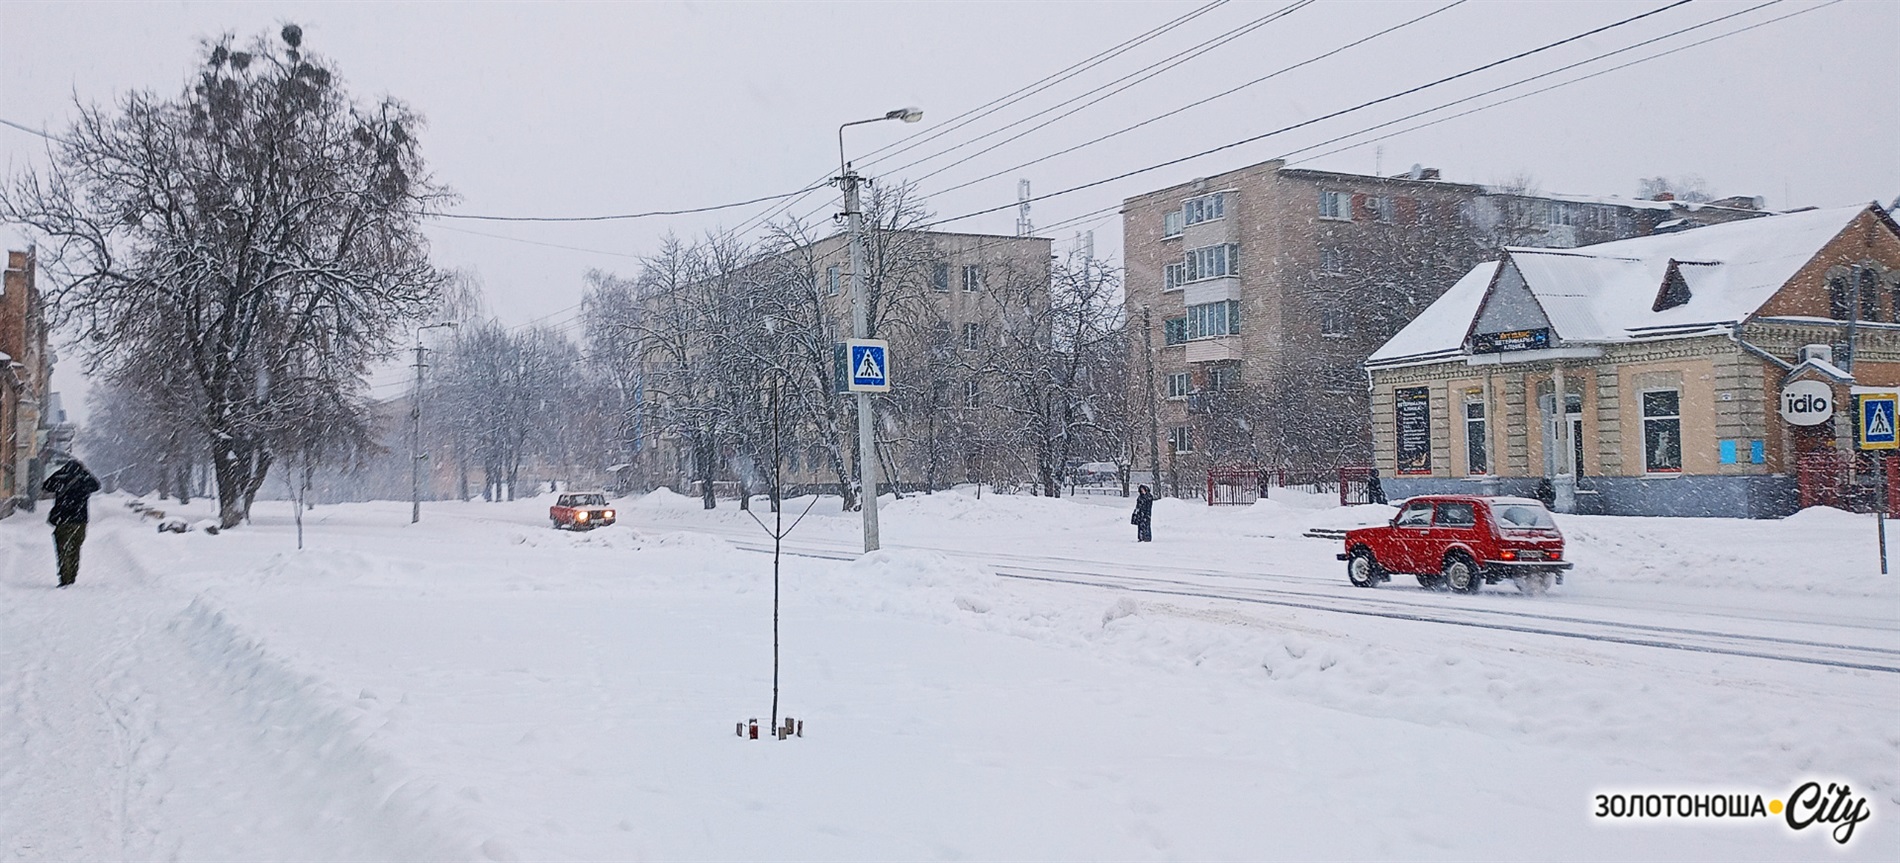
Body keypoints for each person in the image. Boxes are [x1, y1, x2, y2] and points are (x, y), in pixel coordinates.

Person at [41, 458, 101, 588]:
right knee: (75, 549)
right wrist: (84, 473)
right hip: (80, 521)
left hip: (62, 520)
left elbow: (46, 486)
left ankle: (64, 578)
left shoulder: (61, 477)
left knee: (63, 550)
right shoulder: (84, 479)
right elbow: (97, 485)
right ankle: (72, 576)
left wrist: (61, 473)